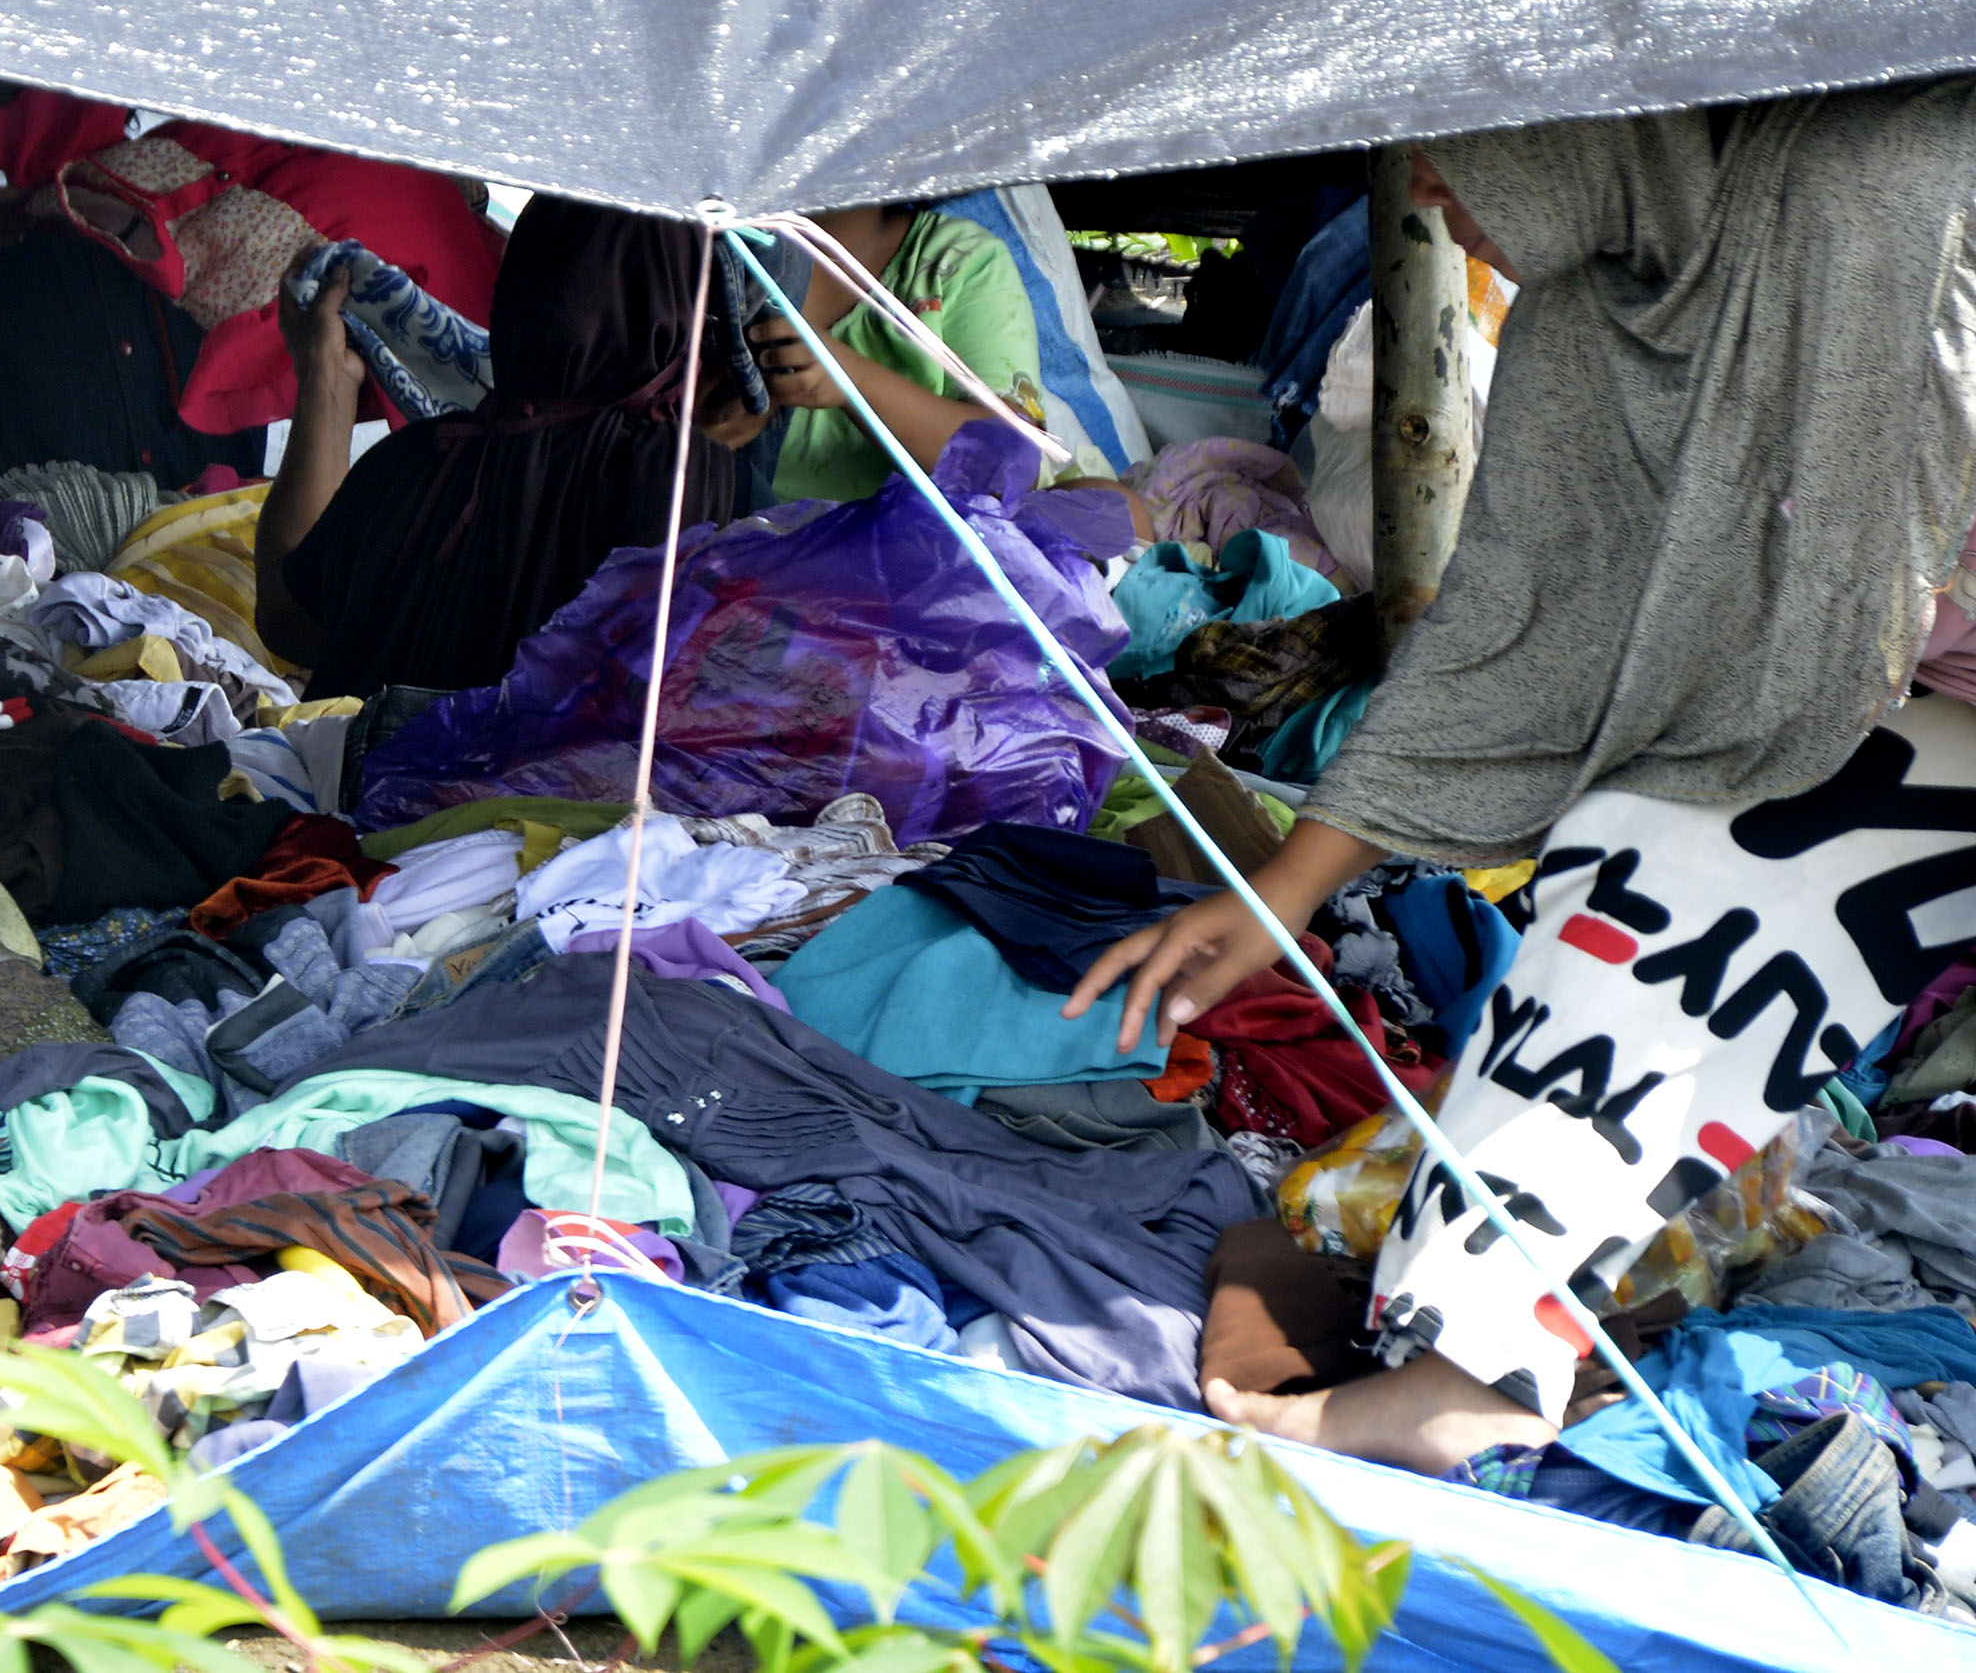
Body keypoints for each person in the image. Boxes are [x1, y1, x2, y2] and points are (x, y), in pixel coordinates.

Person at [1062, 98, 1976, 1477]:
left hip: (1906, 674)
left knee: (1667, 842)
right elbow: (1519, 629)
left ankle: (1468, 1367)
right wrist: (1278, 895)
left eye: (1458, 137)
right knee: (1639, 851)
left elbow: (1824, 631)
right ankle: (1476, 1360)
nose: (1427, 184)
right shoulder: (1616, 285)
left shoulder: (1883, 179)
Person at [0, 86, 505, 492]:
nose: (33, 112)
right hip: (18, 585)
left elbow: (399, 321)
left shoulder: (227, 213)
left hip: (194, 588)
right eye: (2, 90)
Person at [255, 197, 741, 696]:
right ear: (682, 313)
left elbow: (286, 620)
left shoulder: (417, 458)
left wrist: (324, 376)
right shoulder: (692, 482)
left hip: (360, 772)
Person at [711, 204, 1049, 500]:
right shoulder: (703, 261)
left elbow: (1009, 467)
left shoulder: (954, 261)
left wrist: (851, 380)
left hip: (899, 563)